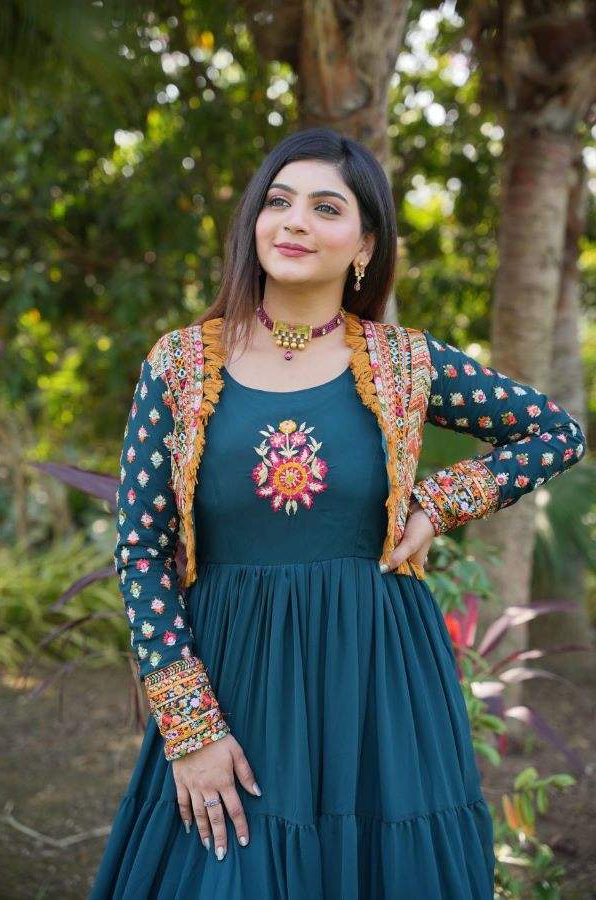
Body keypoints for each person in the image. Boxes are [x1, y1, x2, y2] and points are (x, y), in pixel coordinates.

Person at [89, 127, 586, 899]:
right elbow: (142, 551)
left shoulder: (404, 362)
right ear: (254, 222)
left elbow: (555, 432)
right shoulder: (180, 365)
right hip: (231, 680)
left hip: (378, 681)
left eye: (326, 208)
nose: (295, 221)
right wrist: (190, 729)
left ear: (365, 244)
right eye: (278, 202)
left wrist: (436, 504)